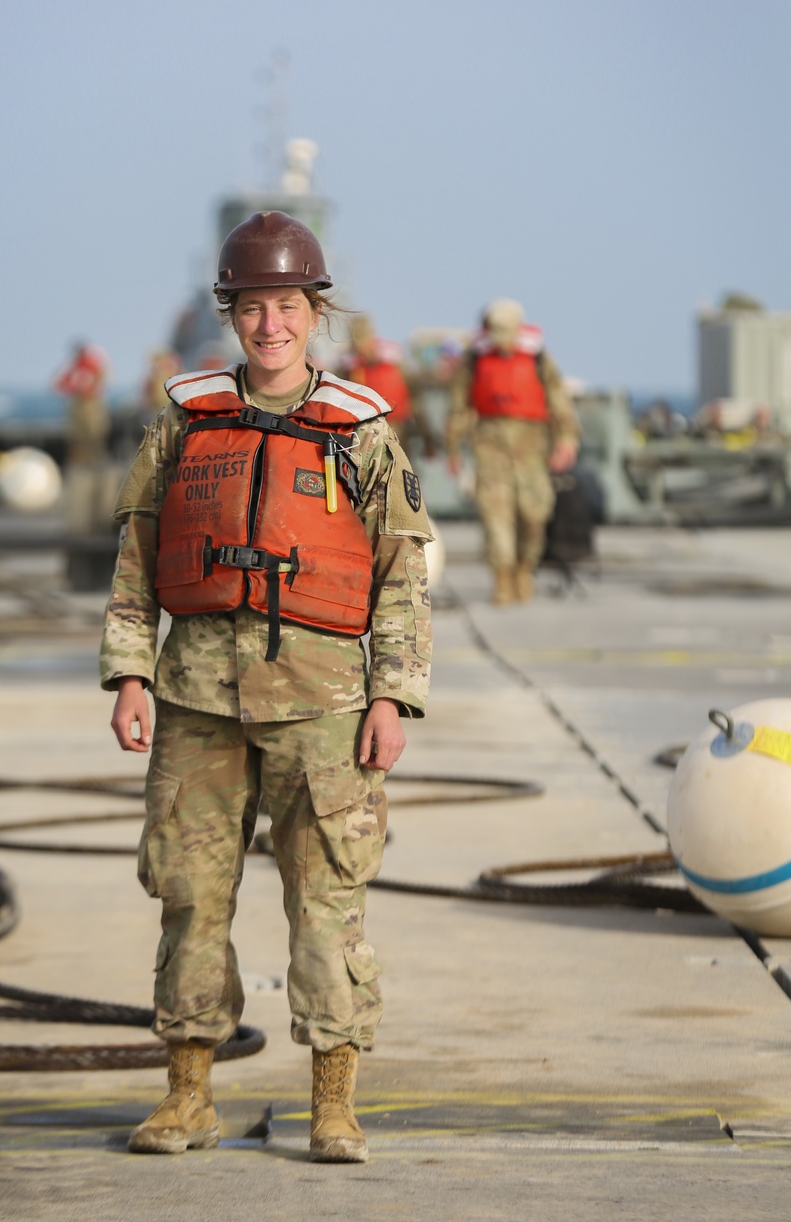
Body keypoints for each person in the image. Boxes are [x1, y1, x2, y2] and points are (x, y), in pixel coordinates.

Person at [101, 210, 432, 1164]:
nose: (270, 325)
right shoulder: (185, 420)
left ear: (314, 313)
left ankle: (334, 1102)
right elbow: (136, 554)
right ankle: (188, 1097)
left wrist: (391, 696)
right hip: (197, 699)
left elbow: (402, 572)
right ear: (231, 315)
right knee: (189, 898)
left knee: (328, 901)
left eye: (287, 305)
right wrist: (129, 673)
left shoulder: (362, 434)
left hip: (324, 707)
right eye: (253, 307)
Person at [445, 299, 579, 605]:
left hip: (532, 445)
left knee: (535, 513)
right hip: (490, 444)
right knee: (496, 517)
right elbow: (458, 406)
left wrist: (566, 441)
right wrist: (453, 448)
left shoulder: (539, 358)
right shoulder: (475, 359)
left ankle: (524, 568)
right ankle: (502, 579)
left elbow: (559, 401)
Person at [340, 315, 437, 459]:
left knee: (400, 473)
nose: (359, 346)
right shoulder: (348, 366)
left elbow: (416, 402)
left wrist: (428, 439)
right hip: (363, 434)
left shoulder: (394, 359)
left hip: (397, 430)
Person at [54, 340, 111, 465]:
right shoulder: (74, 367)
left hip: (91, 403)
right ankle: (80, 460)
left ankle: (96, 459)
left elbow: (103, 378)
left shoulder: (92, 365)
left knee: (94, 432)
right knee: (78, 435)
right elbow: (59, 384)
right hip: (78, 403)